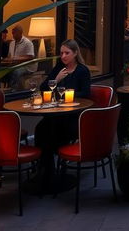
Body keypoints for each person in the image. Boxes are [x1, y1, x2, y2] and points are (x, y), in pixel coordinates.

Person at [34, 39, 91, 183]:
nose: (63, 56)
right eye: (61, 53)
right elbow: (43, 88)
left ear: (75, 53)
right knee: (41, 128)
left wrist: (67, 94)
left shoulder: (82, 70)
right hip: (55, 114)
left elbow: (85, 93)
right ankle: (46, 169)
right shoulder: (60, 68)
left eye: (67, 53)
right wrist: (56, 79)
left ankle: (49, 170)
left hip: (73, 116)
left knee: (51, 131)